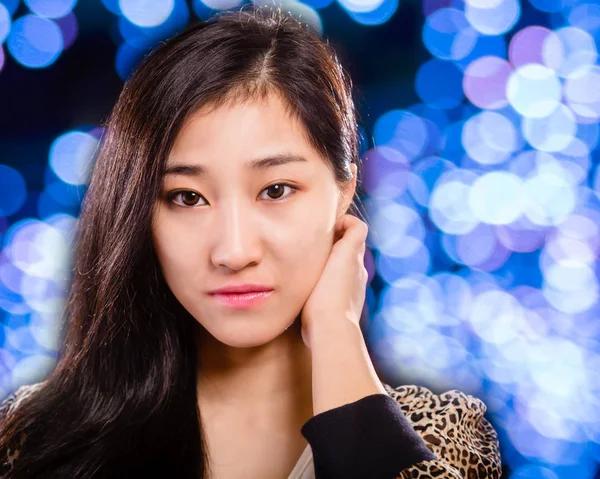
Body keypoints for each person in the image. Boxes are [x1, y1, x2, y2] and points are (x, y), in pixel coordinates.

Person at [0, 7, 502, 478]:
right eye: (187, 197)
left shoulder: (442, 432)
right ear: (136, 211)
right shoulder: (35, 436)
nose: (234, 252)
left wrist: (334, 330)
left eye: (276, 190)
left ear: (343, 193)